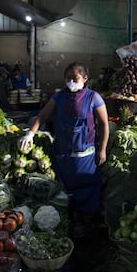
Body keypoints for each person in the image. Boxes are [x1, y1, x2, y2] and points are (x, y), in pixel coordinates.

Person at [18, 61, 109, 238]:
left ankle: (87, 222)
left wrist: (103, 149)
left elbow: (104, 125)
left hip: (86, 157)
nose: (71, 82)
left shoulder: (94, 97)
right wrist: (30, 133)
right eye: (67, 79)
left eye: (74, 78)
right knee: (64, 191)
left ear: (85, 78)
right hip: (63, 156)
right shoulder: (58, 97)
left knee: (87, 188)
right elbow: (43, 115)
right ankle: (69, 221)